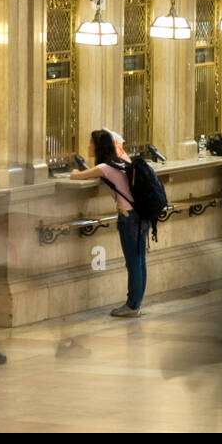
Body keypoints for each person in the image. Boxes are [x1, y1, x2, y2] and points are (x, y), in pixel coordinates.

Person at [70, 129, 147, 317]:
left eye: (90, 143)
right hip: (141, 214)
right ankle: (136, 302)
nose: (88, 146)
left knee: (133, 262)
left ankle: (132, 305)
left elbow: (76, 176)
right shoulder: (120, 162)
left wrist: (75, 170)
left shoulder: (105, 167)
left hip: (128, 218)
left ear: (97, 146)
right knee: (139, 260)